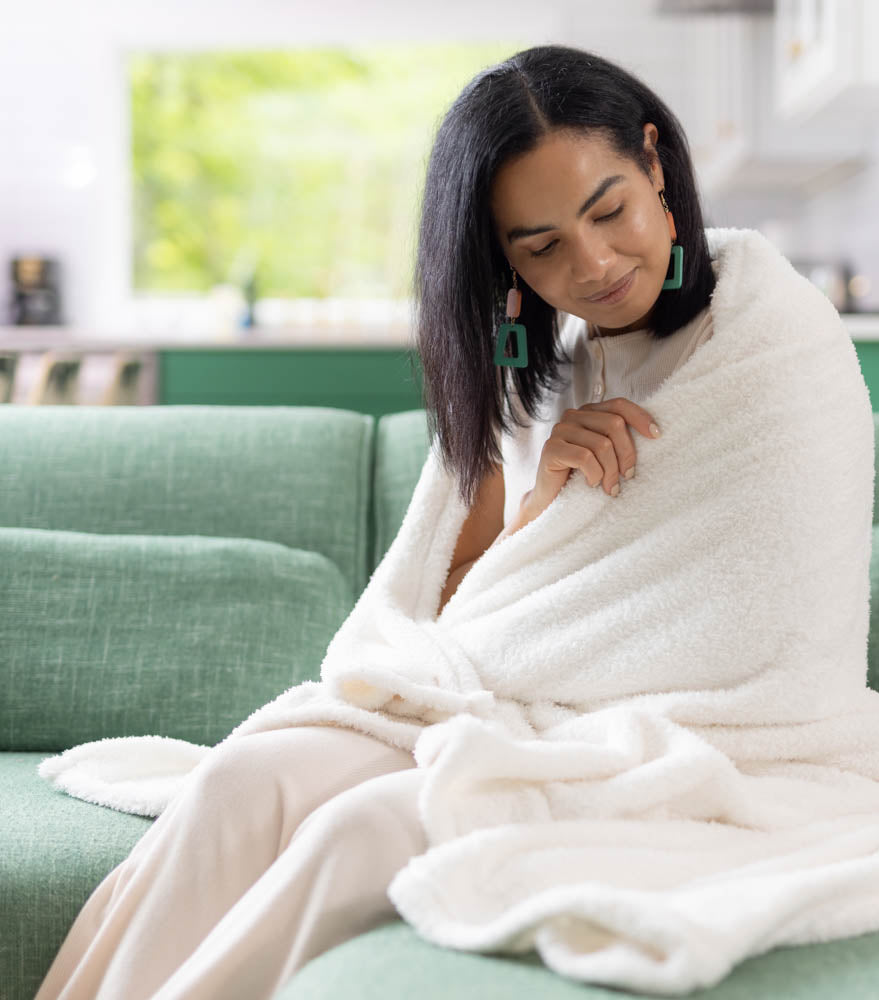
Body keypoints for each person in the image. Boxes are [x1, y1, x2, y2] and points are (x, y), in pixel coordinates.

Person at [34, 43, 718, 1000]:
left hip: (626, 736)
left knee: (358, 830)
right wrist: (542, 505)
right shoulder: (525, 383)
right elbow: (449, 616)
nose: (594, 262)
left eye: (608, 212)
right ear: (502, 257)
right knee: (239, 781)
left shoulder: (747, 337)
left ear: (653, 163)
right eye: (541, 246)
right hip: (482, 703)